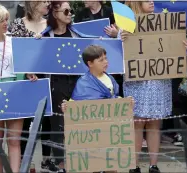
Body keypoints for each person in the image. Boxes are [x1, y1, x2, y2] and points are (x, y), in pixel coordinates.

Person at [120, 1, 187, 173]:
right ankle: (134, 166)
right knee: (137, 124)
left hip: (159, 81)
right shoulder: (126, 26)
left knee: (154, 124)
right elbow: (117, 55)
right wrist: (121, 39)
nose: (151, 2)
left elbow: (171, 49)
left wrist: (181, 47)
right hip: (137, 83)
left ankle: (153, 165)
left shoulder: (163, 23)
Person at [0, 4, 37, 173]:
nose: (6, 22)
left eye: (6, 19)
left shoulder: (14, 42)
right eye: (1, 20)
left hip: (15, 90)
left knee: (14, 140)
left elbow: (23, 66)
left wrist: (29, 74)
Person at [61, 45, 134, 173]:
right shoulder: (83, 83)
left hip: (109, 129)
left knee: (111, 164)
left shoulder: (110, 78)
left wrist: (126, 103)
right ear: (90, 63)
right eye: (101, 60)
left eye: (106, 58)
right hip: (91, 132)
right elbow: (75, 105)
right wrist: (66, 107)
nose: (106, 62)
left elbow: (115, 98)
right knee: (92, 164)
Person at [41, 1, 83, 172]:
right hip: (55, 84)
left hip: (76, 84)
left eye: (71, 10)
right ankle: (61, 164)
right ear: (55, 13)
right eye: (66, 10)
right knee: (58, 124)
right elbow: (37, 61)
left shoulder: (77, 35)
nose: (70, 13)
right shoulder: (45, 37)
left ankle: (79, 161)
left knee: (77, 123)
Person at [9, 0, 51, 169]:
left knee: (47, 118)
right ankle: (25, 162)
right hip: (25, 78)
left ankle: (47, 160)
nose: (48, 4)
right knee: (25, 121)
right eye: (44, 1)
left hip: (47, 77)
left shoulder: (50, 23)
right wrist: (26, 70)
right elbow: (14, 51)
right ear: (33, 3)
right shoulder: (18, 24)